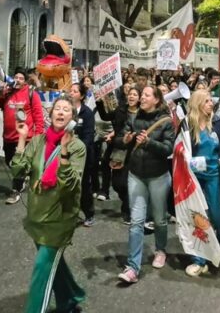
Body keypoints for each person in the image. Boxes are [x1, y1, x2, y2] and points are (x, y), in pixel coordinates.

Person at [11, 95, 87, 313]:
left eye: (66, 110)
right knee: (55, 265)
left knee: (41, 269)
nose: (61, 112)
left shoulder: (78, 147)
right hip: (37, 215)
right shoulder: (38, 141)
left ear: (73, 118)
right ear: (50, 113)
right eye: (57, 109)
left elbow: (71, 185)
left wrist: (63, 152)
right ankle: (69, 299)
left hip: (59, 219)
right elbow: (18, 170)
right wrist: (22, 138)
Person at [116, 85, 175, 284]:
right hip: (136, 175)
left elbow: (168, 148)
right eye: (142, 95)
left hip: (158, 176)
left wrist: (149, 142)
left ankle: (160, 250)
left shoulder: (166, 121)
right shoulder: (133, 118)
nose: (142, 98)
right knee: (136, 221)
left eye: (146, 95)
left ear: (157, 100)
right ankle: (132, 267)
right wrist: (124, 139)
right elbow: (121, 139)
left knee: (159, 219)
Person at [181, 90, 220, 277]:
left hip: (214, 177)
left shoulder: (219, 123)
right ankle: (199, 260)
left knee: (218, 216)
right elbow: (180, 148)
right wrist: (188, 161)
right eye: (207, 101)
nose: (211, 104)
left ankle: (218, 244)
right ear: (198, 103)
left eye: (212, 101)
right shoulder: (187, 124)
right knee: (197, 217)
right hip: (193, 179)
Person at [0, 69, 45, 205]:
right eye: (16, 77)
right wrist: (0, 93)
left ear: (25, 82)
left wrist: (38, 137)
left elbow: (38, 117)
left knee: (17, 164)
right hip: (8, 137)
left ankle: (16, 189)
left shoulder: (31, 94)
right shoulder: (7, 93)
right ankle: (23, 177)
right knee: (10, 162)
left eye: (21, 78)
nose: (17, 80)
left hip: (25, 137)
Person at [97, 86, 140, 224]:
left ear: (139, 98)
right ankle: (127, 201)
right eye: (130, 94)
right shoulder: (121, 110)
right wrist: (99, 102)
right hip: (119, 148)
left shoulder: (143, 113)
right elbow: (105, 116)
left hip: (135, 151)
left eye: (135, 94)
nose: (132, 96)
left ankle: (127, 211)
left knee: (126, 182)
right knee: (117, 184)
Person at [69, 81, 96, 227]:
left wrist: (77, 150)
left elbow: (88, 136)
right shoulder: (66, 110)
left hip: (83, 155)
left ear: (82, 95)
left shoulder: (87, 113)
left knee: (84, 185)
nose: (71, 93)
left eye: (75, 91)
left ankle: (89, 213)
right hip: (66, 154)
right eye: (70, 90)